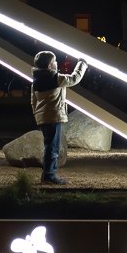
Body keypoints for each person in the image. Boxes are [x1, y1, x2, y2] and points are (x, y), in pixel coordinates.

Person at [30, 50, 90, 184]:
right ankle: (49, 176)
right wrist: (82, 63)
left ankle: (47, 174)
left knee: (49, 146)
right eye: (55, 61)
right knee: (53, 148)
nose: (57, 63)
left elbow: (33, 101)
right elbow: (74, 78)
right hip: (54, 116)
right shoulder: (56, 78)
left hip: (43, 118)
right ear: (50, 65)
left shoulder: (36, 81)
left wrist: (37, 115)